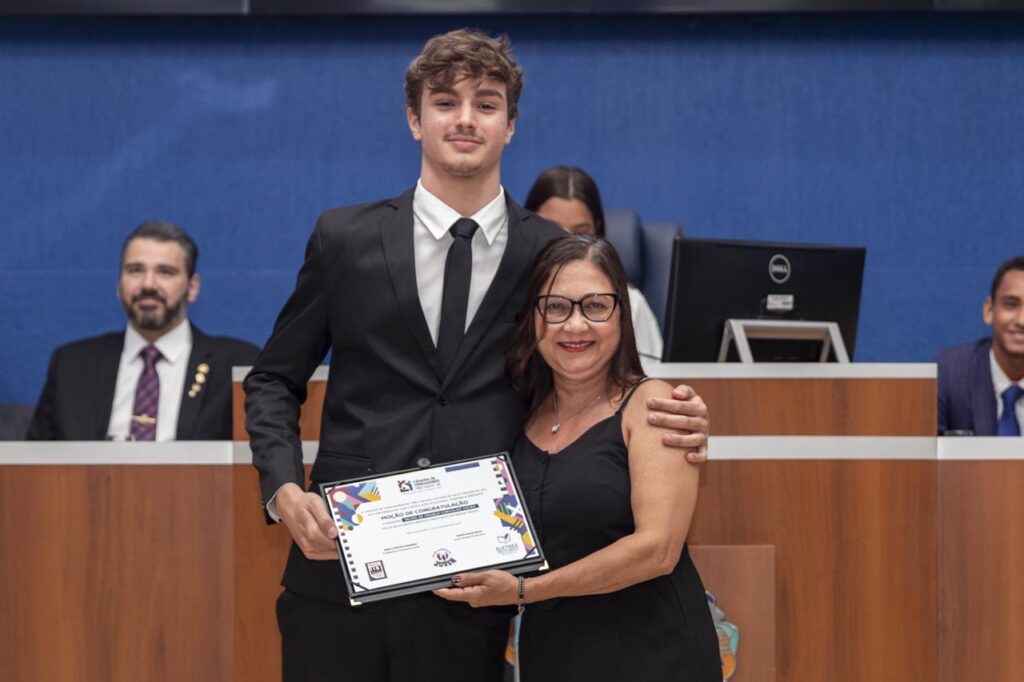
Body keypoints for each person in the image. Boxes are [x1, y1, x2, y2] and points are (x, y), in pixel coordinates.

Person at [244, 28, 711, 682]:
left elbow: (594, 362)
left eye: (487, 103)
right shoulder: (343, 238)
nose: (465, 118)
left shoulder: (549, 253)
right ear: (415, 118)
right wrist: (284, 490)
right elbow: (272, 380)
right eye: (445, 101)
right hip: (341, 576)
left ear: (511, 126)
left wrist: (674, 406)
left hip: (476, 592)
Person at [436, 235, 721, 680]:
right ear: (533, 319)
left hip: (653, 656)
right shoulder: (518, 417)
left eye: (595, 306)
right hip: (556, 657)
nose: (575, 325)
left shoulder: (654, 407)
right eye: (556, 307)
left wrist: (525, 591)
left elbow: (657, 550)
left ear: (622, 315)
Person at [27, 221, 259, 441]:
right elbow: (32, 467)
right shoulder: (72, 365)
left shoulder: (237, 365)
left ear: (192, 287)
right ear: (119, 284)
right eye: (135, 270)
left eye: (165, 272)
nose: (148, 284)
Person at [525, 165, 664, 361]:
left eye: (580, 233)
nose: (566, 243)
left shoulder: (631, 303)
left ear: (597, 232)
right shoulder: (507, 294)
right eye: (552, 230)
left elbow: (650, 375)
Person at [936, 255, 1024, 436]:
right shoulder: (949, 373)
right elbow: (925, 460)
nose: (1021, 320)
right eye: (1011, 305)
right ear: (989, 310)